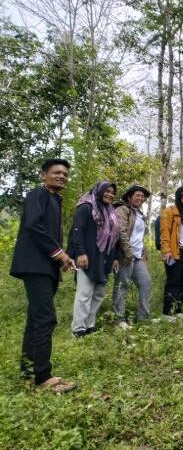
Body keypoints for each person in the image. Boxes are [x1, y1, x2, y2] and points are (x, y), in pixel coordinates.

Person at [10, 158, 77, 392]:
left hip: (45, 267)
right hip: (35, 266)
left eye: (65, 174)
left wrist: (60, 258)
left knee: (35, 320)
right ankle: (42, 377)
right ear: (43, 175)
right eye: (56, 172)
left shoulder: (54, 200)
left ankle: (29, 372)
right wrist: (60, 254)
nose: (62, 176)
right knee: (46, 319)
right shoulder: (37, 195)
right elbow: (33, 226)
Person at [68, 181, 120, 337]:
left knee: (98, 293)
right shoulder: (86, 207)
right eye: (107, 191)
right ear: (99, 191)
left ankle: (89, 325)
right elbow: (77, 231)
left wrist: (115, 257)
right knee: (84, 293)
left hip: (104, 257)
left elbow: (113, 237)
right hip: (88, 256)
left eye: (112, 192)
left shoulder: (110, 211)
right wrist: (80, 253)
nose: (110, 194)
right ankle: (78, 329)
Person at [112, 184, 153, 328]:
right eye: (138, 195)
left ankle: (143, 318)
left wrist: (144, 252)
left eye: (143, 196)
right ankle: (119, 319)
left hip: (137, 256)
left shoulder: (140, 213)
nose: (141, 198)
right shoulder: (122, 209)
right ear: (129, 196)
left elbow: (139, 236)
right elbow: (121, 231)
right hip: (125, 255)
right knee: (122, 285)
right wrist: (128, 252)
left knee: (146, 283)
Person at [159, 186, 183, 321]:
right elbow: (164, 233)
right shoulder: (169, 211)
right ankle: (167, 313)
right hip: (175, 252)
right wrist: (166, 250)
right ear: (179, 195)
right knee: (173, 281)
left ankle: (178, 311)